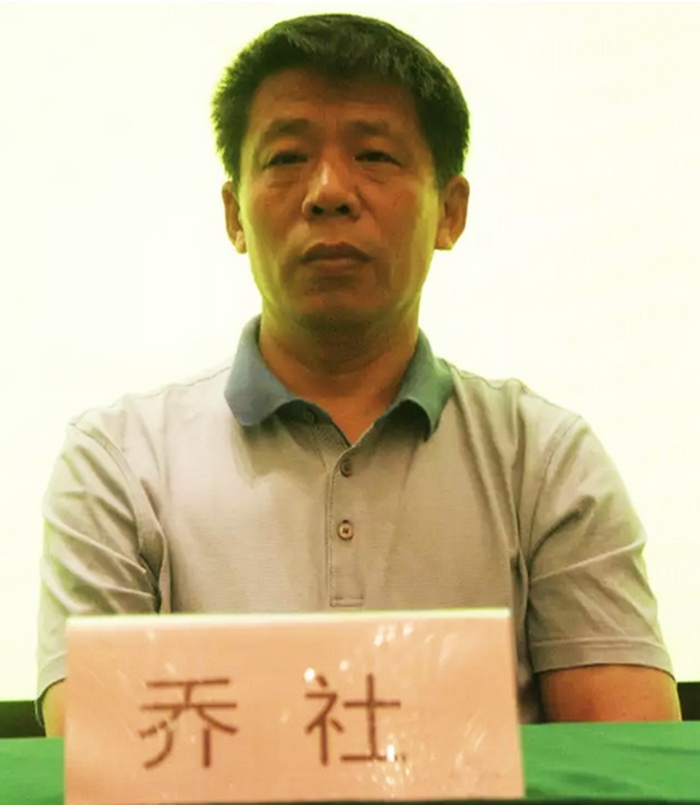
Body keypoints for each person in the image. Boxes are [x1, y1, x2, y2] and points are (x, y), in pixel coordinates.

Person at [36, 12, 681, 737]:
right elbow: (99, 759)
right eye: (286, 157)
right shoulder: (119, 463)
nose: (329, 191)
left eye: (375, 155)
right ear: (234, 214)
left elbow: (627, 757)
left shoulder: (544, 460)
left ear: (450, 212)